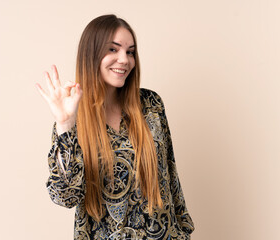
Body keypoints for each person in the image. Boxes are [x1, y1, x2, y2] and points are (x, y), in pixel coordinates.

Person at [36, 14, 194, 240]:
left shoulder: (151, 105)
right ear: (92, 54)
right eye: (113, 49)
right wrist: (65, 124)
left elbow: (170, 176)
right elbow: (66, 196)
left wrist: (184, 231)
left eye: (130, 52)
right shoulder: (73, 121)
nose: (124, 59)